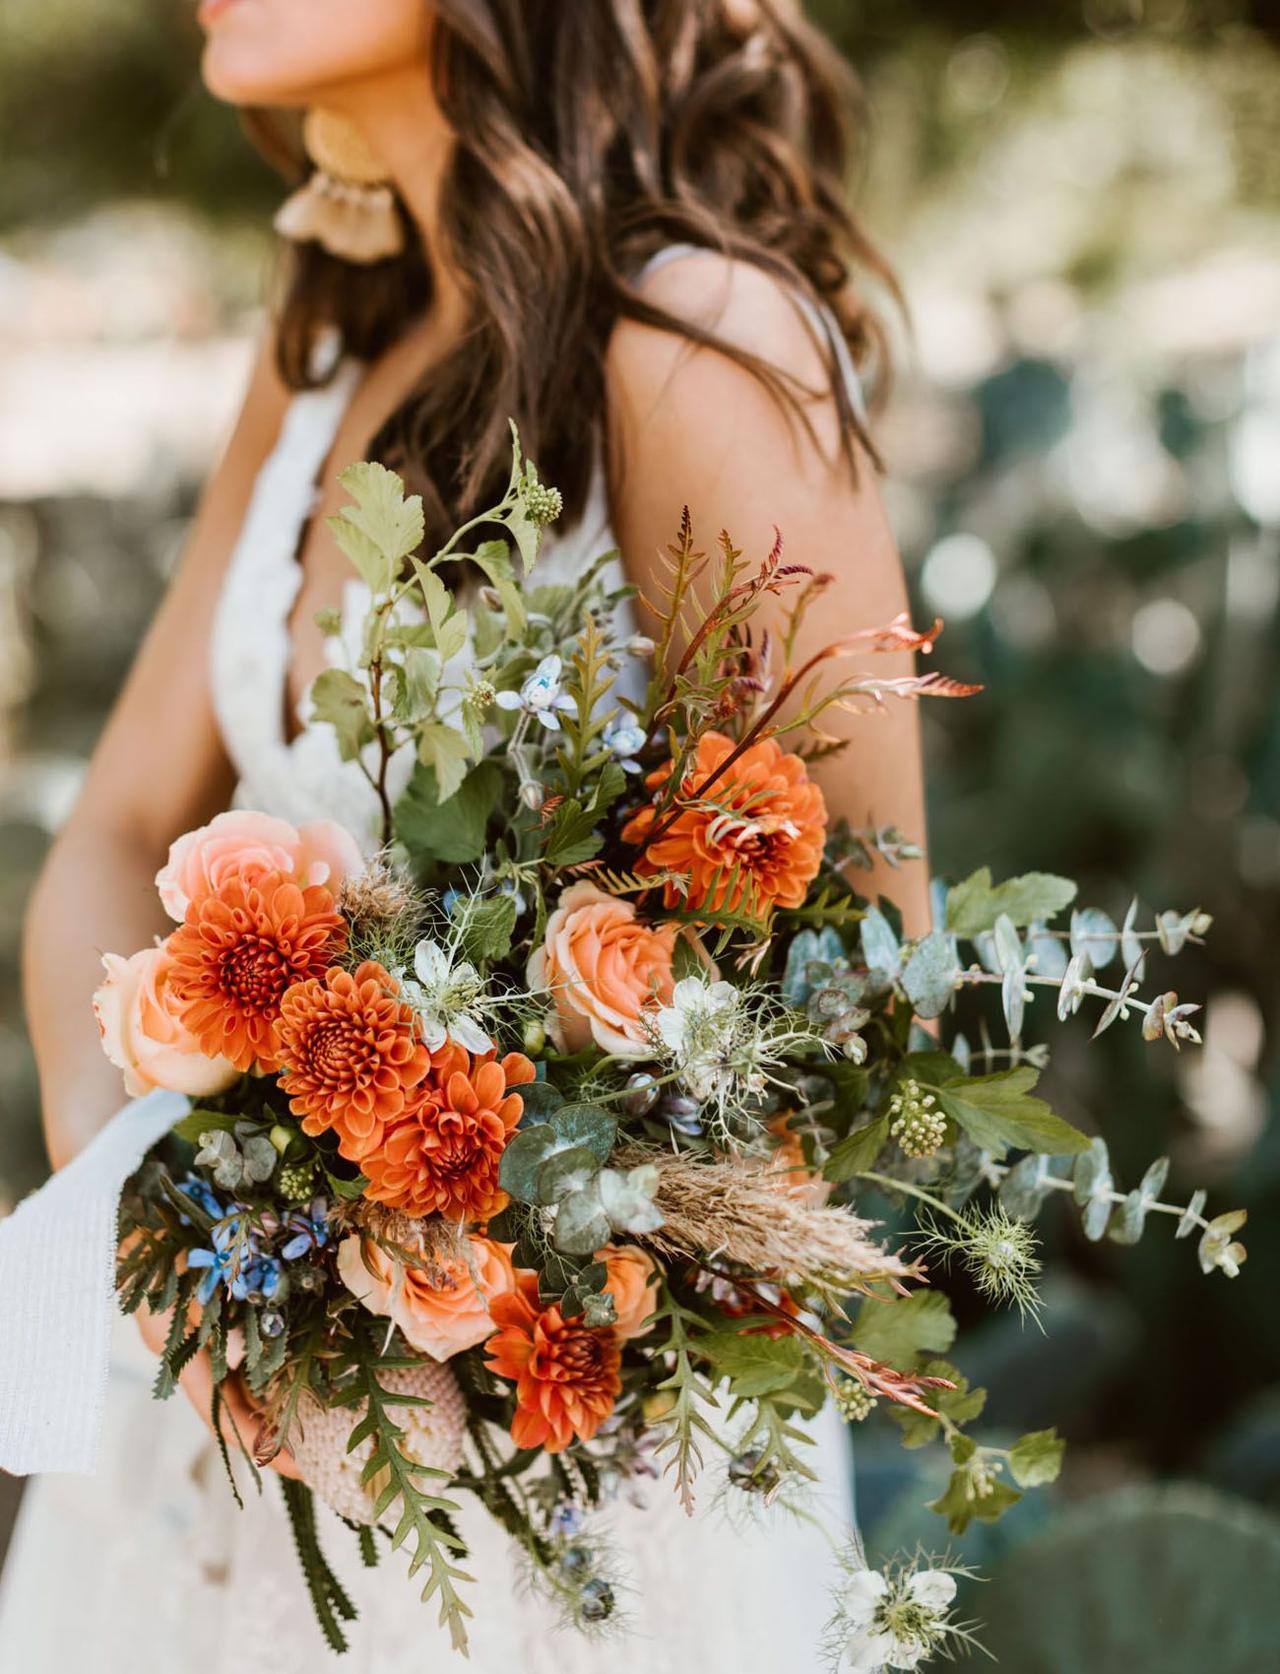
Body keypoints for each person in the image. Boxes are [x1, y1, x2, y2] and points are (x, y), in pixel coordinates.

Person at [7, 1, 929, 1667]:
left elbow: (862, 988)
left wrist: (490, 1245)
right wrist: (156, 1214)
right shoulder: (326, 363)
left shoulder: (698, 337)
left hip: (560, 1509)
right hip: (218, 1445)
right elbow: (112, 833)